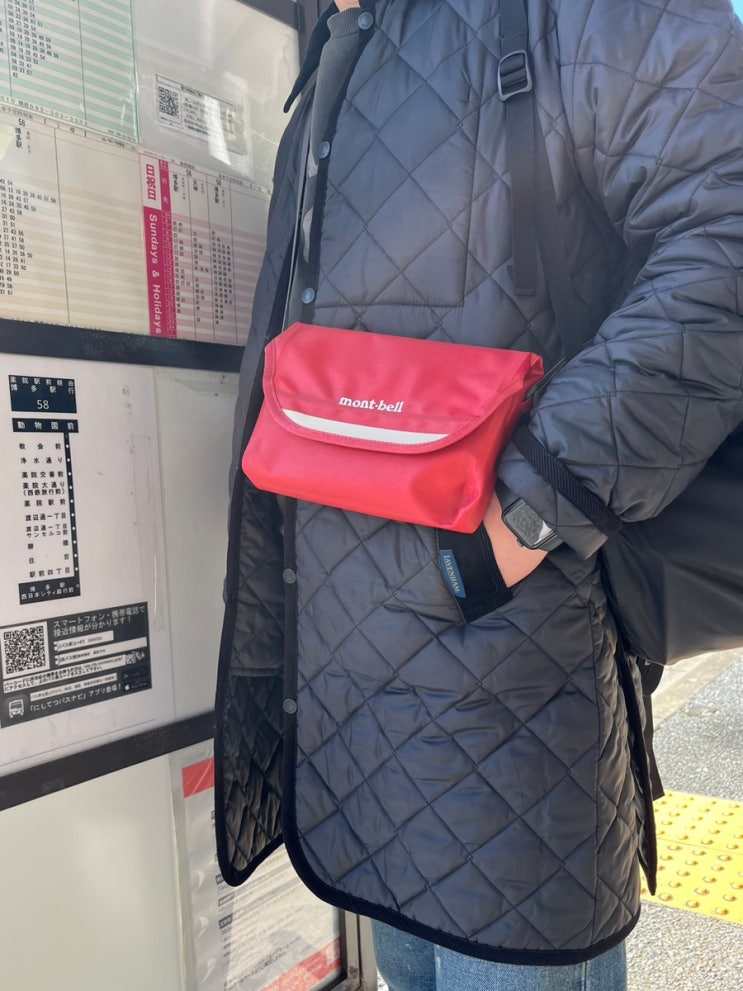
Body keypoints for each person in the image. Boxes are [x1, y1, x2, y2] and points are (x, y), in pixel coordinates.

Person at [213, 1, 743, 988]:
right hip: (355, 742)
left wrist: (532, 507)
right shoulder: (344, 46)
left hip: (508, 704)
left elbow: (728, 232)